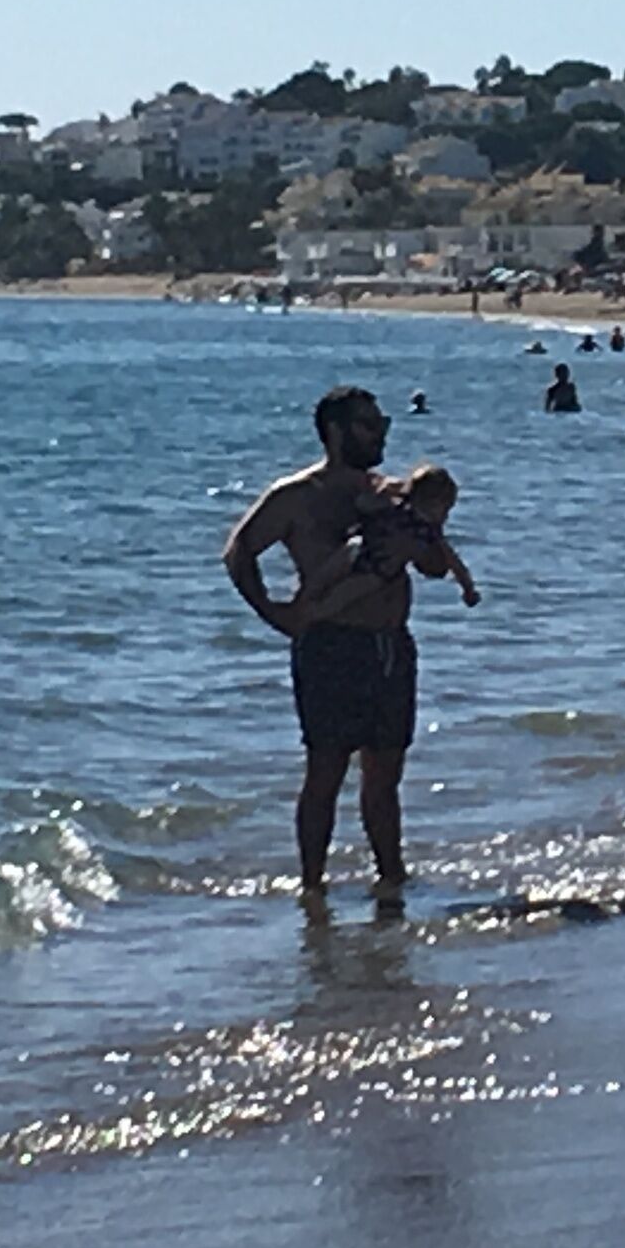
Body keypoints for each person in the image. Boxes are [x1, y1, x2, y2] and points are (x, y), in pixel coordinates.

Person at [223, 385, 422, 906]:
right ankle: (313, 891)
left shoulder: (390, 493)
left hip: (390, 646)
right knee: (325, 770)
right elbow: (239, 552)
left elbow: (430, 556)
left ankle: (392, 884)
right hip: (330, 648)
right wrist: (272, 614)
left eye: (383, 424)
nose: (382, 433)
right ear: (336, 432)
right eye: (369, 425)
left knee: (385, 775)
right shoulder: (298, 496)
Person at [358, 462, 484, 609]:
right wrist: (468, 589)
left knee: (346, 591)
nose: (445, 517)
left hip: (376, 565)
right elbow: (455, 563)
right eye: (444, 510)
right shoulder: (426, 527)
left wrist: (468, 589)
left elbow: (455, 564)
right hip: (372, 560)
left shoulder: (407, 515)